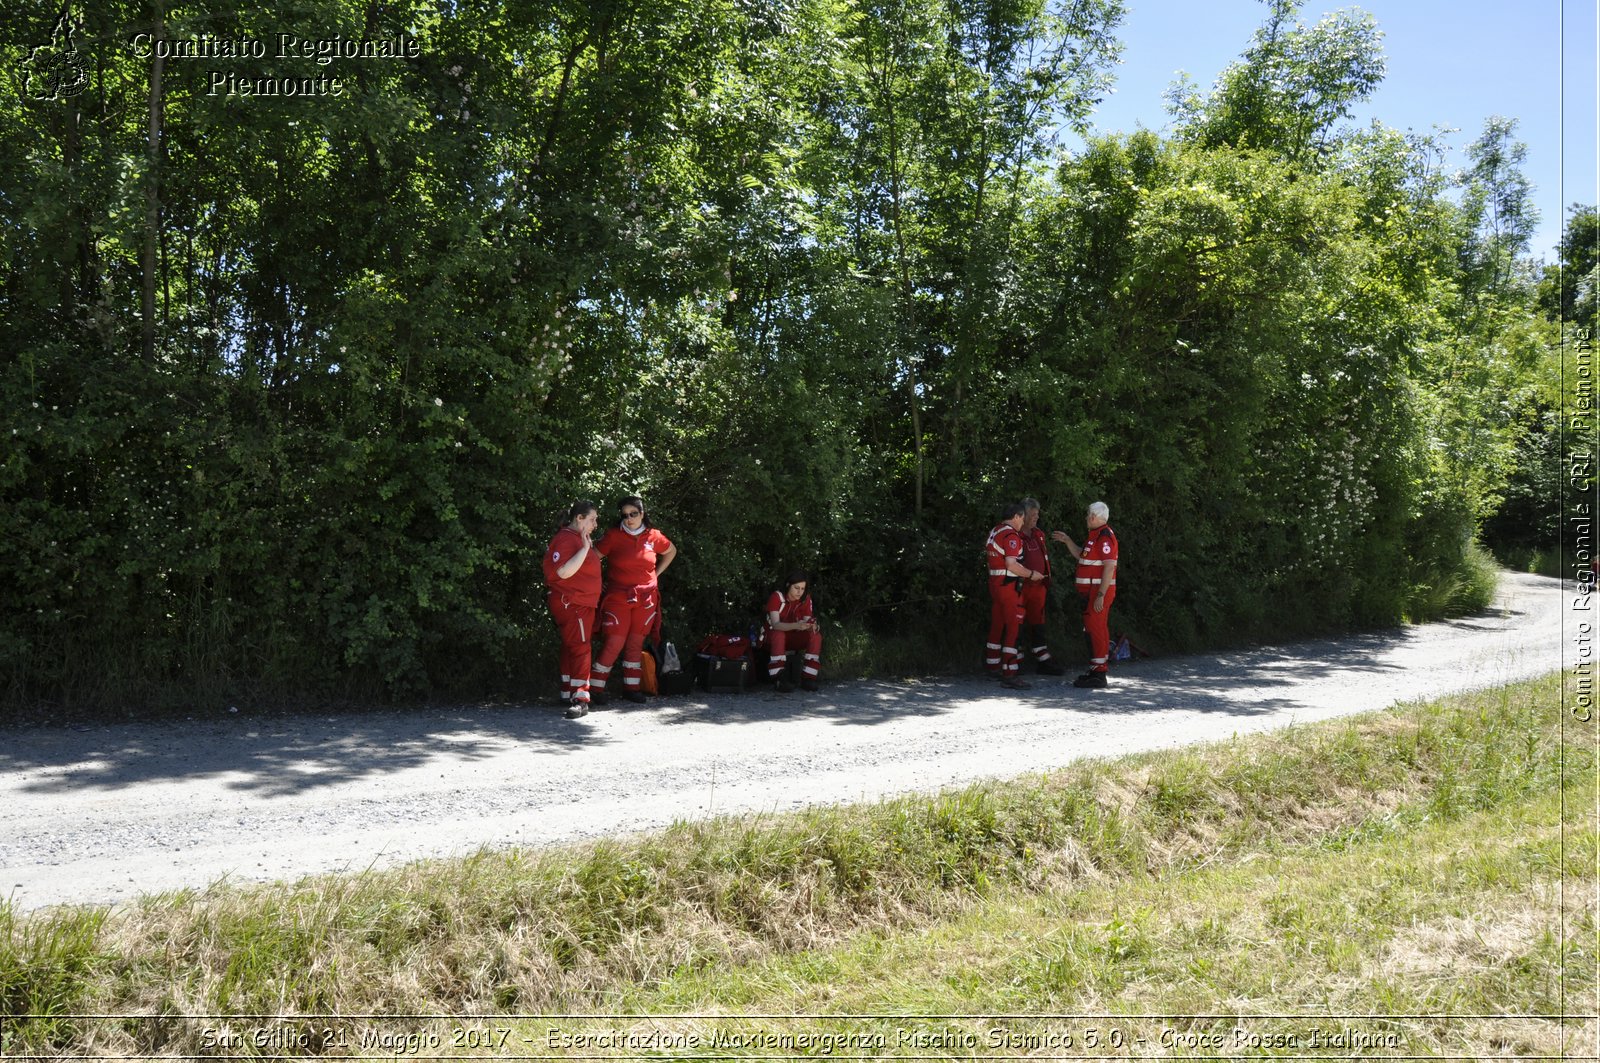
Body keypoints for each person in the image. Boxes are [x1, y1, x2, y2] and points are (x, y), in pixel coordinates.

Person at [591, 495, 677, 704]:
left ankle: (632, 688)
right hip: (618, 596)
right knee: (615, 641)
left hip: (646, 598)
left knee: (636, 642)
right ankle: (594, 689)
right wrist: (596, 581)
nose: (629, 519)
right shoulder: (613, 536)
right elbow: (591, 558)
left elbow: (671, 551)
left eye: (634, 514)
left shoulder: (654, 536)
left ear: (642, 514)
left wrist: (655, 575)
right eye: (625, 515)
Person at [542, 500, 602, 719]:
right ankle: (581, 698)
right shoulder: (567, 539)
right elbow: (563, 573)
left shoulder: (575, 538)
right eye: (592, 519)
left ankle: (568, 691)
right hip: (574, 604)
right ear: (580, 518)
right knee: (580, 647)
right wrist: (586, 549)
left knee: (572, 646)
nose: (595, 524)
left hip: (579, 603)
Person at [1053, 500, 1118, 689]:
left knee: (1095, 630)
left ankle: (1099, 674)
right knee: (1095, 629)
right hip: (1092, 592)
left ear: (1093, 517)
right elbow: (1083, 556)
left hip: (1097, 593)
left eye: (1088, 514)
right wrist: (1067, 541)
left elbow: (1108, 567)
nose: (1086, 518)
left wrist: (1100, 594)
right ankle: (1096, 669)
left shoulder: (1104, 536)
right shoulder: (1095, 535)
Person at [986, 502, 1047, 690]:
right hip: (1008, 587)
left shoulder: (995, 531)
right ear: (1017, 517)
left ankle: (993, 665)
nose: (1022, 523)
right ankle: (1010, 672)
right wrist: (1031, 574)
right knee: (1013, 628)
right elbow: (1011, 564)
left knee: (997, 624)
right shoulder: (1011, 535)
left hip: (995, 585)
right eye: (1022, 519)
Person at [1018, 498, 1067, 676]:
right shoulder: (1014, 535)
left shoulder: (1038, 534)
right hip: (1020, 587)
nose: (1036, 518)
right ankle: (1015, 660)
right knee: (1017, 622)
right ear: (1022, 516)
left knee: (1038, 623)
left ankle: (1042, 659)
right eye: (1033, 515)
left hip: (1039, 587)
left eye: (1037, 514)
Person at [765, 570, 822, 692]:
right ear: (788, 585)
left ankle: (808, 678)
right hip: (773, 638)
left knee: (815, 636)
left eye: (802, 589)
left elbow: (808, 620)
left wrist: (812, 625)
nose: (799, 592)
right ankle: (779, 679)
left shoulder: (805, 599)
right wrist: (796, 625)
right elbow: (775, 625)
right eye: (796, 588)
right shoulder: (776, 597)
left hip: (793, 637)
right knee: (779, 634)